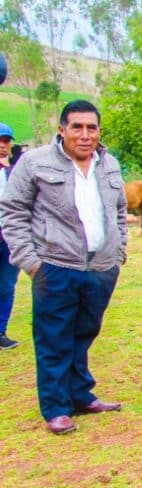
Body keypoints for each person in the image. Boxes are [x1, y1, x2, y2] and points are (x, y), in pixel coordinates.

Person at [0, 100, 127, 435]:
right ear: (62, 130)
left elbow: (118, 212)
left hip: (100, 267)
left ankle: (80, 395)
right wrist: (31, 262)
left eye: (91, 128)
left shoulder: (109, 164)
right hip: (55, 266)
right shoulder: (34, 163)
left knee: (83, 333)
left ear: (99, 131)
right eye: (77, 127)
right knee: (54, 338)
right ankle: (56, 408)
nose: (85, 135)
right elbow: (12, 213)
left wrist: (119, 254)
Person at [0, 122, 20, 350]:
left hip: (9, 238)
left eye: (6, 141)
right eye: (0, 141)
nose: (3, 146)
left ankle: (1, 332)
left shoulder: (13, 172)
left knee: (6, 285)